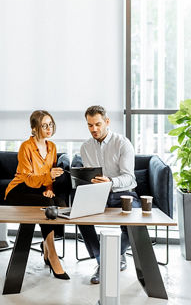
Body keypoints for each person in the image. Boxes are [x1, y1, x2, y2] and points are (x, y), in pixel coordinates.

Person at [77, 105, 141, 284]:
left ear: (107, 122)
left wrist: (111, 182)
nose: (94, 129)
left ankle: (111, 257)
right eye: (90, 125)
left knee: (135, 221)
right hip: (97, 194)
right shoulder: (86, 147)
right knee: (78, 216)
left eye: (97, 124)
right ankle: (101, 259)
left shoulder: (123, 143)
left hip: (123, 193)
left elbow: (129, 177)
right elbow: (90, 175)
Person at [5, 110, 70, 280]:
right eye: (44, 125)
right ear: (34, 128)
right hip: (19, 189)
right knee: (48, 205)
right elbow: (27, 179)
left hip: (38, 188)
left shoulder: (52, 147)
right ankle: (52, 255)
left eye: (51, 124)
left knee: (61, 203)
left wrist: (49, 187)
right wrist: (47, 179)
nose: (49, 128)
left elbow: (50, 174)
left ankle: (46, 245)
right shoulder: (26, 147)